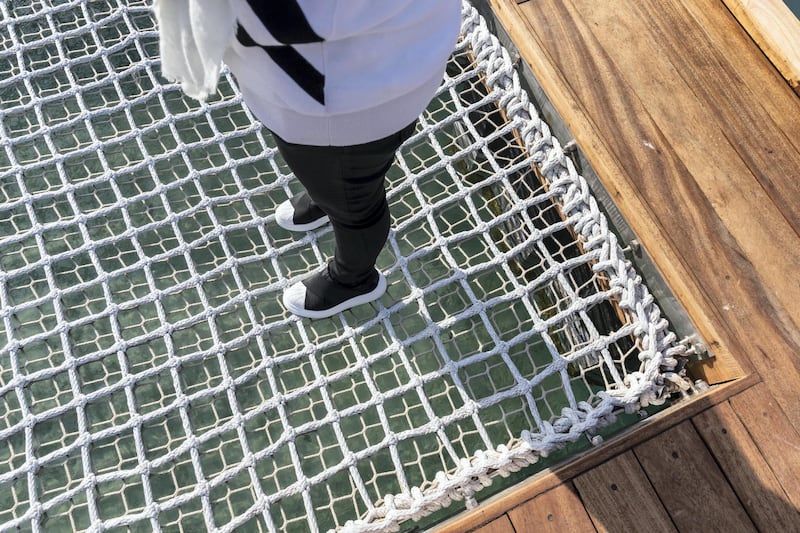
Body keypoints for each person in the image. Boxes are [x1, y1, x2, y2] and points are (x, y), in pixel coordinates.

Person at [157, 0, 461, 319]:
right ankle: (328, 197)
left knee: (355, 205)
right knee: (343, 177)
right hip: (387, 66)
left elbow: (282, 16)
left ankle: (354, 279)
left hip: (346, 107)